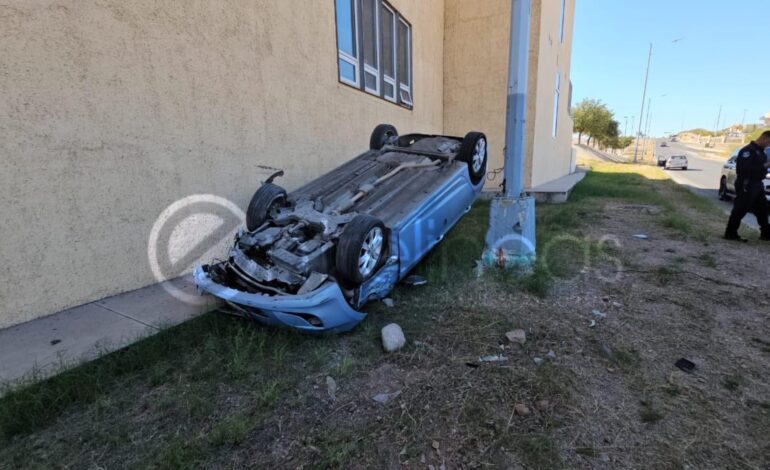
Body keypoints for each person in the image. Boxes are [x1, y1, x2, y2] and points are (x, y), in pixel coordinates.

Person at [724, 131, 770, 242]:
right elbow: (743, 170)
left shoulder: (761, 152)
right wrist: (765, 165)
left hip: (757, 184)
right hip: (747, 183)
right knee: (741, 208)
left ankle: (766, 234)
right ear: (764, 138)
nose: (768, 145)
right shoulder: (748, 151)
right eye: (768, 142)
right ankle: (730, 233)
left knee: (763, 208)